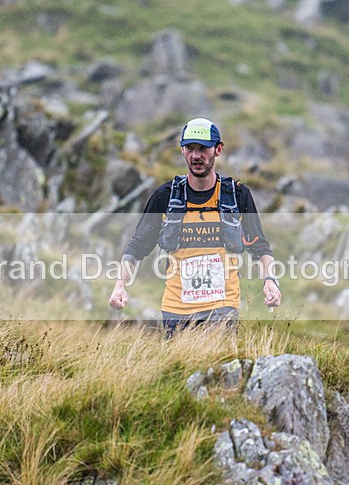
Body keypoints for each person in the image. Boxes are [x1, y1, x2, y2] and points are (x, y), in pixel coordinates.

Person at [108, 117, 281, 336]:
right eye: (190, 148)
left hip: (222, 309)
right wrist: (120, 285)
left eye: (203, 148)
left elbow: (260, 247)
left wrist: (270, 280)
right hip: (176, 311)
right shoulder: (166, 195)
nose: (196, 155)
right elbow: (138, 246)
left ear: (218, 150)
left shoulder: (237, 195)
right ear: (182, 150)